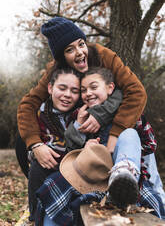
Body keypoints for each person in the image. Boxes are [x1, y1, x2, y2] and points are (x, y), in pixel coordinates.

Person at [34, 68, 164, 226]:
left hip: (120, 175)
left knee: (129, 134)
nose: (88, 93)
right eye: (83, 90)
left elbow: (150, 144)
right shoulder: (80, 115)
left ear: (110, 88)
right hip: (90, 176)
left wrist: (119, 146)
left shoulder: (126, 112)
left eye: (94, 87)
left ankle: (123, 173)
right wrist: (85, 146)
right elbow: (70, 151)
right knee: (54, 193)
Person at [17, 16, 147, 172]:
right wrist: (36, 144)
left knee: (135, 140)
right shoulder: (56, 71)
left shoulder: (104, 57)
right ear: (62, 57)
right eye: (70, 50)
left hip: (115, 121)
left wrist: (113, 130)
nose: (79, 52)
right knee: (21, 140)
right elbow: (28, 104)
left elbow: (136, 91)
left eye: (81, 44)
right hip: (78, 129)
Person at [28, 67, 82, 221]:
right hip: (50, 164)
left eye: (74, 91)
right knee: (38, 166)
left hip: (75, 168)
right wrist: (37, 149)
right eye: (62, 88)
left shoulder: (81, 113)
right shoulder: (42, 113)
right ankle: (34, 216)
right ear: (50, 88)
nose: (67, 95)